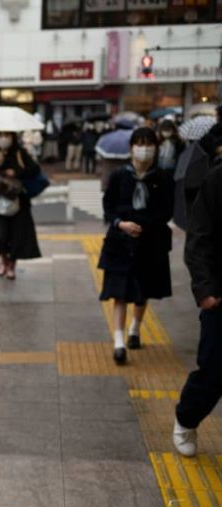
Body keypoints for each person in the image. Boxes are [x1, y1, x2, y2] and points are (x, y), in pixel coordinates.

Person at [97, 127, 175, 364]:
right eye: (139, 143)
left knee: (142, 292)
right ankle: (118, 342)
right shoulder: (119, 176)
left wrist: (144, 226)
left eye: (148, 143)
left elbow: (166, 210)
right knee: (119, 294)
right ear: (131, 147)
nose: (143, 148)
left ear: (156, 147)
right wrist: (122, 224)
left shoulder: (163, 178)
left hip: (150, 243)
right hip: (120, 243)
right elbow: (108, 206)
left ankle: (135, 328)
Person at [174, 158, 222, 455]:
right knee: (216, 370)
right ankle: (186, 418)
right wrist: (205, 288)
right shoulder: (217, 179)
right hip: (220, 295)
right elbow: (198, 238)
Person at [0, 131, 42, 279]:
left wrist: (16, 171)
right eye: (1, 135)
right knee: (1, 236)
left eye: (7, 135)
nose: (4, 139)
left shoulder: (20, 153)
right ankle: (3, 261)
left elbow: (34, 169)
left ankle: (11, 264)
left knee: (17, 235)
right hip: (0, 200)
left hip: (19, 200)